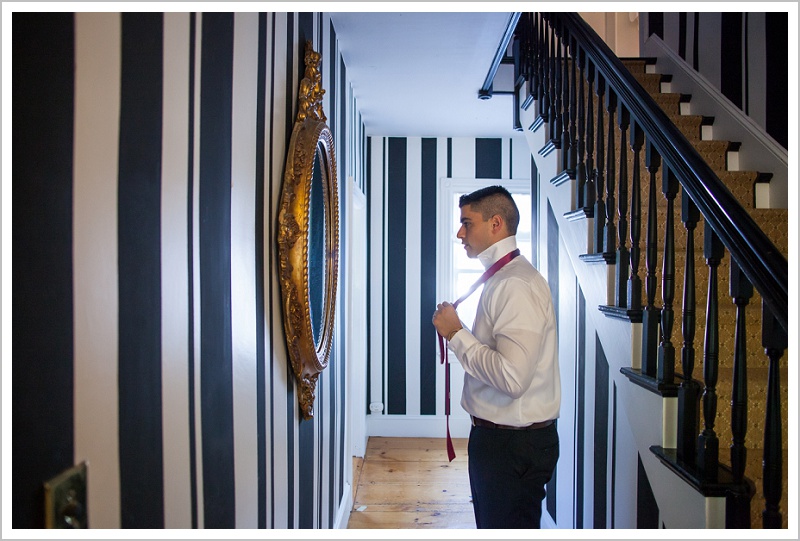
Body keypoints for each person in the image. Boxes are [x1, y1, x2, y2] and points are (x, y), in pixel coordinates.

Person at [431, 185, 560, 529]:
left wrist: (457, 335)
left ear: (496, 223)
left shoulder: (514, 285)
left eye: (467, 222)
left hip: (511, 445)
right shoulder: (505, 278)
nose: (460, 233)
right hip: (508, 441)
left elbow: (513, 379)